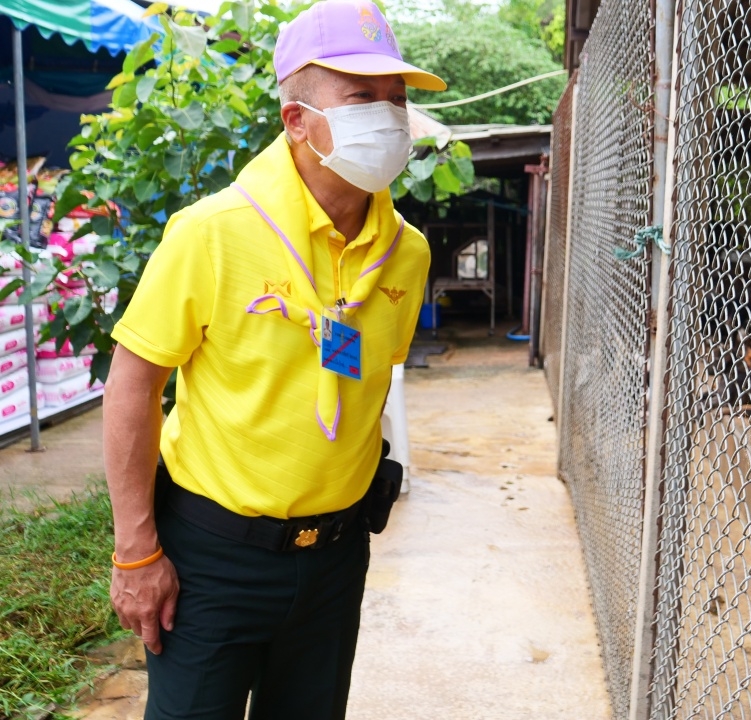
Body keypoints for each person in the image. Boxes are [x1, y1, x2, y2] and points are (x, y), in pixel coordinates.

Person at [102, 2, 440, 717]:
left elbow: (369, 387)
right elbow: (133, 384)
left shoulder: (405, 253)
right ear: (296, 121)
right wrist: (136, 553)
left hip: (337, 559)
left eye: (397, 100)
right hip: (211, 562)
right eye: (361, 97)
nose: (387, 117)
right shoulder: (213, 234)